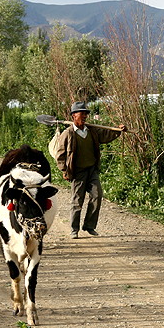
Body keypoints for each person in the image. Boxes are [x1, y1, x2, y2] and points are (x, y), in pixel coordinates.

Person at [55, 101, 126, 239]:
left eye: (86, 113)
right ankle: (74, 229)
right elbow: (60, 155)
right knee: (77, 201)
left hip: (92, 169)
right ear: (74, 115)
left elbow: (105, 136)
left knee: (97, 195)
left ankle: (89, 226)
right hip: (78, 172)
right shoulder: (68, 133)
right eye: (82, 113)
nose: (85, 116)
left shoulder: (91, 130)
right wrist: (64, 170)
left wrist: (118, 131)